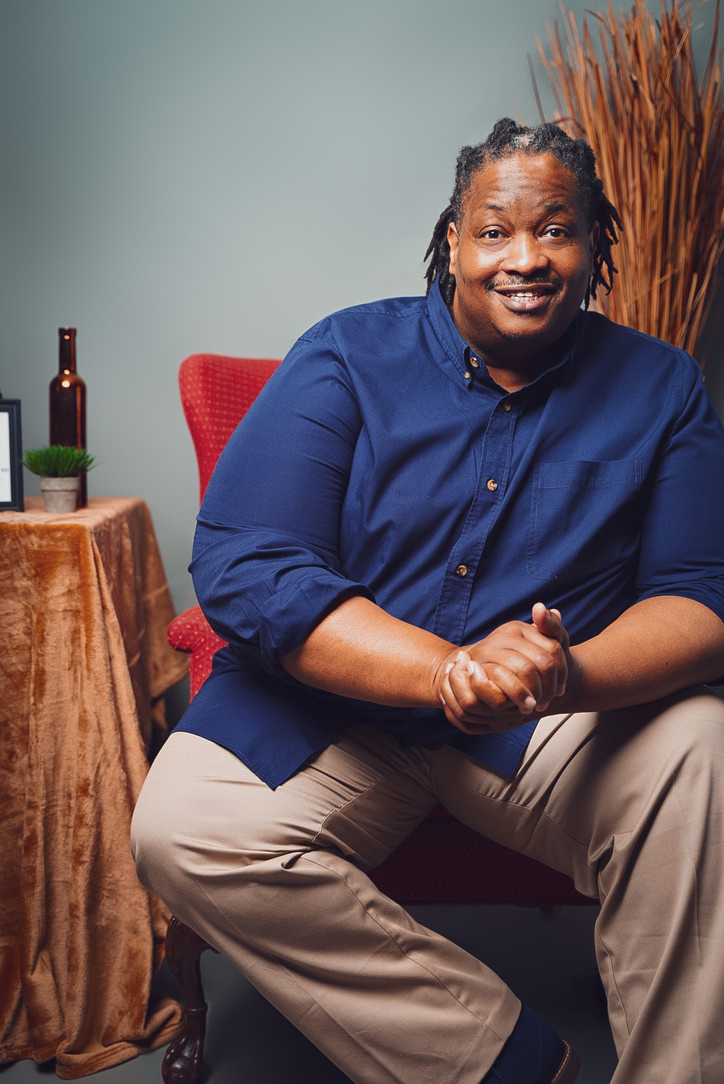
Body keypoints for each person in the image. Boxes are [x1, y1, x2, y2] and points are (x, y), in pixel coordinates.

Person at [131, 118, 724, 1084]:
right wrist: (444, 669)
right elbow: (250, 562)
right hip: (330, 708)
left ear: (593, 244)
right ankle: (502, 1063)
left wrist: (566, 673)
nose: (525, 258)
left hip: (543, 722)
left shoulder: (664, 386)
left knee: (703, 748)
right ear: (453, 240)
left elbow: (702, 599)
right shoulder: (344, 354)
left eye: (556, 229)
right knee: (179, 830)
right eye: (495, 231)